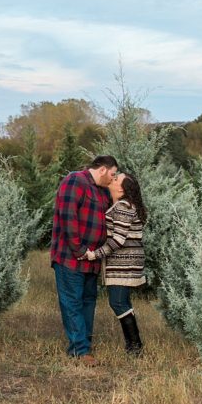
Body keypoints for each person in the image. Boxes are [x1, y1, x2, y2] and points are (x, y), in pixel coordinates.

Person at [50, 155, 118, 365]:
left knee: (88, 302)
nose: (113, 179)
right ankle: (80, 350)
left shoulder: (101, 190)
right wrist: (79, 249)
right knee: (72, 303)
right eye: (113, 174)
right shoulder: (75, 181)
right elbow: (68, 216)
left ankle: (83, 343)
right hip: (71, 257)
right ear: (103, 170)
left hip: (92, 259)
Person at [85, 171, 147, 355]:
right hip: (127, 262)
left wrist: (94, 255)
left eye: (117, 178)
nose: (113, 178)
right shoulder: (126, 205)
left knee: (118, 302)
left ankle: (135, 347)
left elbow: (118, 240)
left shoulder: (122, 207)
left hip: (123, 264)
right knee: (123, 302)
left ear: (121, 188)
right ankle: (134, 345)